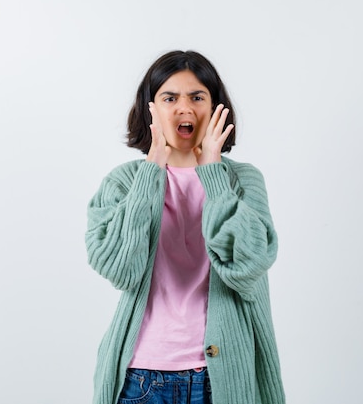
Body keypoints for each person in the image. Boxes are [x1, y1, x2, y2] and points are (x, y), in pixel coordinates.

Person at [85, 50, 285, 404]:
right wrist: (151, 171)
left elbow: (248, 266)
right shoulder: (123, 183)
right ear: (151, 108)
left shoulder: (242, 180)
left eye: (197, 97)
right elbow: (120, 269)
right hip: (140, 379)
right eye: (169, 97)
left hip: (219, 378)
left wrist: (212, 174)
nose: (184, 107)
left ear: (216, 108)